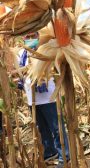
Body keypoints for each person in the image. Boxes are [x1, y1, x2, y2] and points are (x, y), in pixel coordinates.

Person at [18, 32, 70, 167]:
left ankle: (64, 155)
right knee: (42, 128)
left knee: (56, 128)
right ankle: (49, 152)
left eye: (33, 36)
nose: (30, 40)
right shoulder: (21, 54)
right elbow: (19, 72)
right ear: (23, 38)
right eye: (27, 37)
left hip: (48, 97)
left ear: (38, 36)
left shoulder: (46, 49)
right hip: (32, 98)